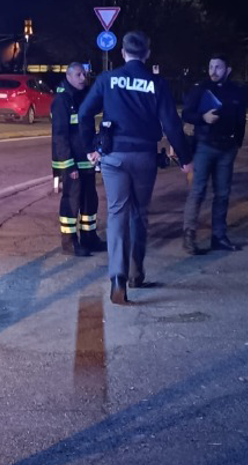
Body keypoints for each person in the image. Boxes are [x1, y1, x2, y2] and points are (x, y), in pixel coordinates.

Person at [79, 31, 192, 304]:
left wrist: (91, 147)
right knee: (139, 214)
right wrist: (185, 158)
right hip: (144, 156)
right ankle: (136, 272)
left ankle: (117, 278)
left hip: (113, 156)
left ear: (122, 53)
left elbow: (84, 113)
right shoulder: (157, 83)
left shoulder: (107, 79)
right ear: (147, 54)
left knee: (117, 213)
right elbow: (171, 124)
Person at [181, 53, 247, 253]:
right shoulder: (201, 88)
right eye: (211, 67)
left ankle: (219, 236)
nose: (213, 71)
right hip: (204, 146)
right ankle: (189, 236)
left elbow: (241, 117)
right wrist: (203, 118)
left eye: (218, 67)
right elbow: (186, 114)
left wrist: (237, 142)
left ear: (228, 70)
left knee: (223, 194)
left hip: (227, 148)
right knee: (198, 191)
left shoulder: (236, 90)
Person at [51, 62, 103, 256]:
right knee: (71, 201)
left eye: (84, 74)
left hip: (86, 159)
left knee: (90, 199)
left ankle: (89, 237)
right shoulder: (62, 100)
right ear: (69, 76)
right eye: (79, 75)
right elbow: (60, 136)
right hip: (71, 161)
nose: (83, 78)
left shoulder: (84, 96)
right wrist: (68, 165)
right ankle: (69, 242)